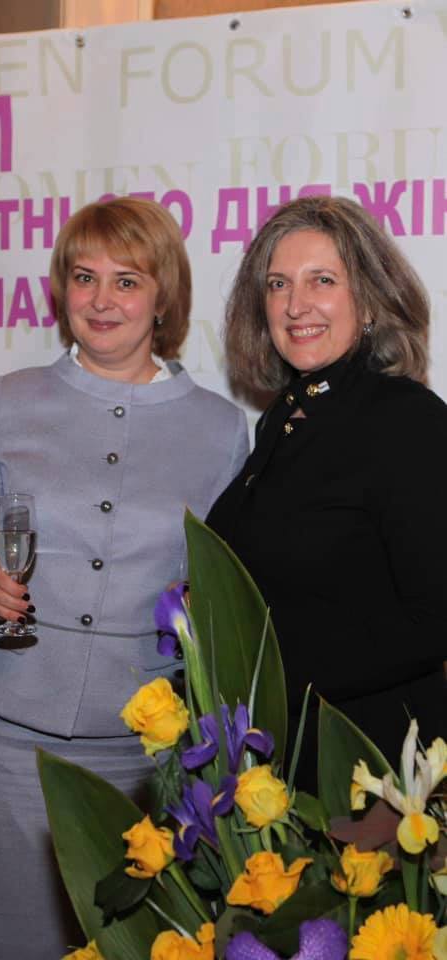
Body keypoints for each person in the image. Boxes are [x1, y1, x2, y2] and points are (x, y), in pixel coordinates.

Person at [0, 196, 249, 960]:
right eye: (84, 277)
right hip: (4, 738)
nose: (101, 299)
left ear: (164, 298)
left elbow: (225, 585)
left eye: (127, 281)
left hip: (143, 752)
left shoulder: (219, 427)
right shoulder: (11, 399)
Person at [206, 195, 447, 787]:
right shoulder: (283, 418)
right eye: (278, 284)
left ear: (369, 298)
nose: (296, 305)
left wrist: (276, 678)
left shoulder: (408, 419)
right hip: (282, 762)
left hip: (370, 769)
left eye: (322, 280)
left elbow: (434, 617)